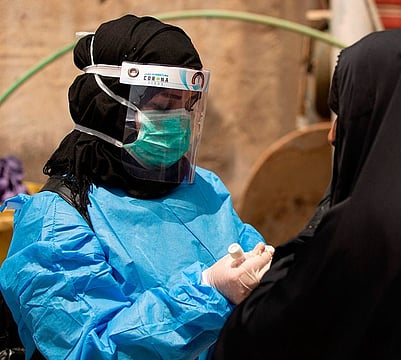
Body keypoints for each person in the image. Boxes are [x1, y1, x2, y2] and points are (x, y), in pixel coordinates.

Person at [0, 14, 273, 360]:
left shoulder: (204, 188)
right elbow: (90, 348)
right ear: (108, 107)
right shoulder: (56, 221)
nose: (178, 121)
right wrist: (207, 290)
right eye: (161, 106)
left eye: (186, 105)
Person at [212, 28, 401, 359]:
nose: (332, 135)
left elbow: (256, 337)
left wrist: (283, 268)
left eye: (346, 113)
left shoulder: (372, 236)